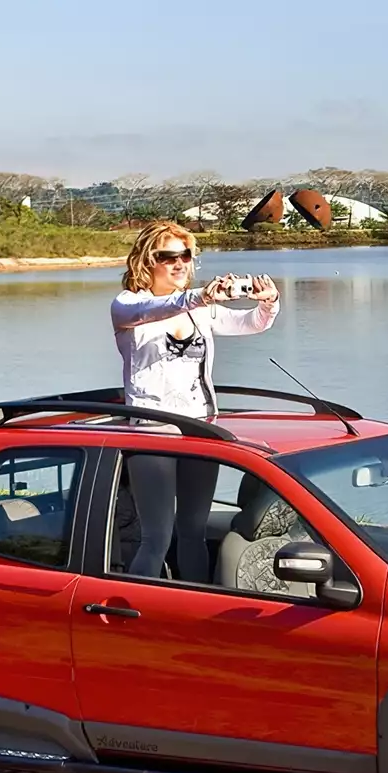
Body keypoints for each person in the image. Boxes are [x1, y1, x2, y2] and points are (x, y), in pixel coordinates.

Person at [110, 220, 280, 582]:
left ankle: (197, 605)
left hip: (200, 426)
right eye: (168, 256)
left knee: (193, 531)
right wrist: (201, 296)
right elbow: (151, 311)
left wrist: (268, 302)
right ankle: (142, 606)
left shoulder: (199, 309)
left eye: (186, 256)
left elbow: (250, 323)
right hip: (152, 429)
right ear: (147, 260)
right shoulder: (127, 305)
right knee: (156, 537)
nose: (179, 264)